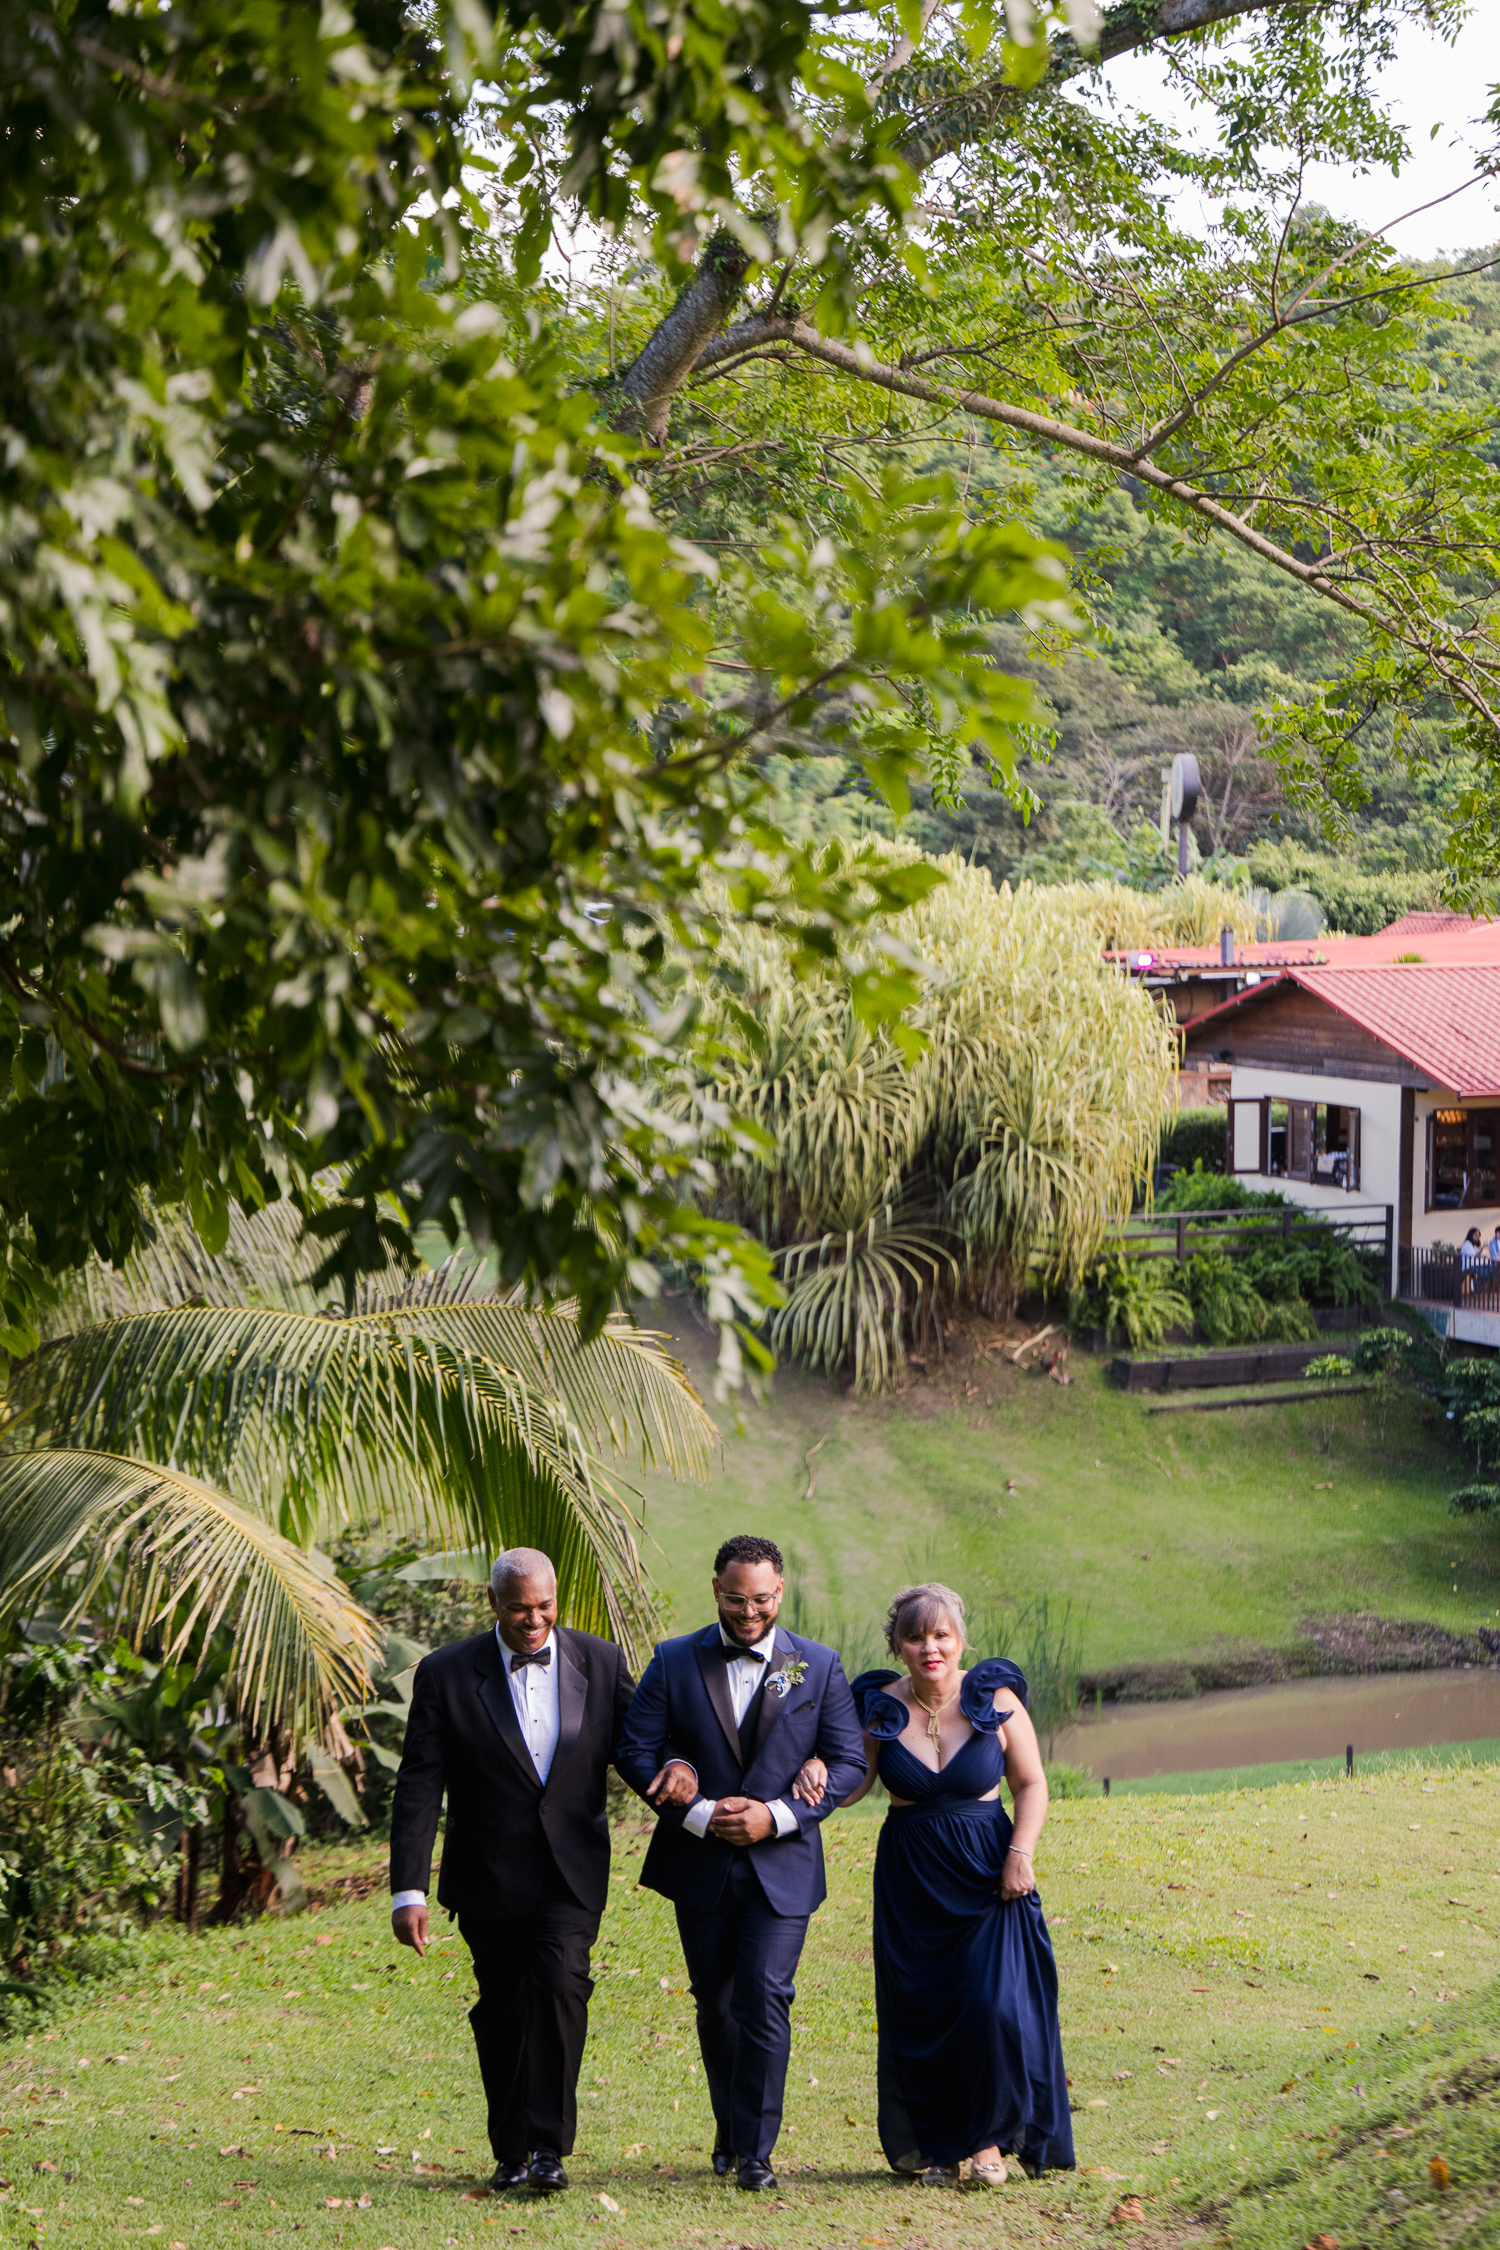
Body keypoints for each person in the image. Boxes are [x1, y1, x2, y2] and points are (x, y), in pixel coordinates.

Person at [793, 1582, 1073, 2187]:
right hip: (911, 1878)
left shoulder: (995, 1698)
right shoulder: (879, 1707)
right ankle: (942, 2147)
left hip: (988, 1874)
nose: (930, 1647)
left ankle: (990, 2142)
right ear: (898, 1645)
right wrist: (815, 1765)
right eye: (916, 1636)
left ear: (961, 1639)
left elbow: (1032, 1784)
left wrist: (1020, 1853)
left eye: (941, 1635)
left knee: (991, 2006)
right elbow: (854, 1784)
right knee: (924, 2009)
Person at [614, 1533, 866, 2193]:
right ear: (717, 1591)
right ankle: (730, 2131)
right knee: (716, 2002)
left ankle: (756, 2153)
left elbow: (848, 1763)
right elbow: (634, 1751)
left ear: (779, 1592)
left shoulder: (818, 1665)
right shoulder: (672, 1662)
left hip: (782, 1865)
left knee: (764, 1994)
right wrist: (699, 1812)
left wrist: (776, 1815)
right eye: (735, 1599)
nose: (748, 1612)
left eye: (760, 1599)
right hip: (700, 1864)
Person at [388, 1547, 635, 2196]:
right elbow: (419, 1787)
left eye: (546, 1606)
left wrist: (684, 1785)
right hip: (487, 1876)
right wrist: (407, 1889)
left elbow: (637, 1751)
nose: (535, 1621)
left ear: (558, 1600)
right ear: (493, 1604)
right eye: (520, 1608)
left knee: (558, 1985)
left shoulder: (601, 1662)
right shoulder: (445, 1674)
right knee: (502, 2011)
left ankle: (549, 2149)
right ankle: (510, 2150)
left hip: (571, 1871)